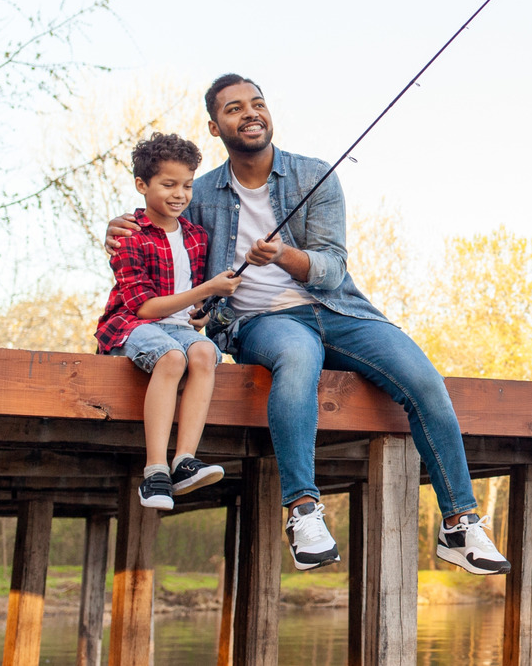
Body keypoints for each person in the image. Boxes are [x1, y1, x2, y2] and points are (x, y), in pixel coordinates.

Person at [107, 75, 509, 575]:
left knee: (424, 379)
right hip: (260, 321)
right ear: (215, 127)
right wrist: (117, 227)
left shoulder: (315, 175)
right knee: (296, 360)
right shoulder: (201, 191)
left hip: (340, 311)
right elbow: (156, 228)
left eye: (257, 103)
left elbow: (333, 269)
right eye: (234, 109)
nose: (250, 113)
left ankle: (460, 523)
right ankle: (303, 511)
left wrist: (283, 255)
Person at [95, 133, 243, 509]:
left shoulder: (196, 236)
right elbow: (143, 307)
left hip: (177, 328)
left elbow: (190, 298)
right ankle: (155, 471)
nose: (180, 194)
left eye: (188, 185)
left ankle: (184, 461)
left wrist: (202, 310)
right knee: (172, 358)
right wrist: (206, 288)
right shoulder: (130, 235)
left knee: (205, 353)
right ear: (142, 185)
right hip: (132, 326)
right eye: (168, 184)